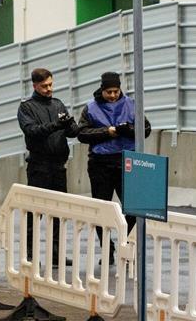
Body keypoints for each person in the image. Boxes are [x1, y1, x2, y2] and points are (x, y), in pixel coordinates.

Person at [77, 71, 150, 264]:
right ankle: (107, 249)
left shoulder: (132, 104)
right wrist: (106, 132)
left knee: (134, 207)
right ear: (102, 89)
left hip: (127, 161)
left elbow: (147, 129)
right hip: (100, 163)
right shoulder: (90, 108)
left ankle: (127, 245)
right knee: (103, 210)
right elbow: (82, 134)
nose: (112, 95)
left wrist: (130, 130)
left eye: (115, 91)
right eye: (108, 91)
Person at [17, 68, 80, 263]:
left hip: (58, 165)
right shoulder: (26, 107)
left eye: (50, 84)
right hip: (39, 165)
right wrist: (56, 126)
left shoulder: (58, 104)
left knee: (58, 212)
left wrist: (69, 125)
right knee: (35, 211)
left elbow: (73, 133)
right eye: (44, 86)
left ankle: (56, 254)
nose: (48, 89)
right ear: (35, 85)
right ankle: (31, 253)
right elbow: (32, 131)